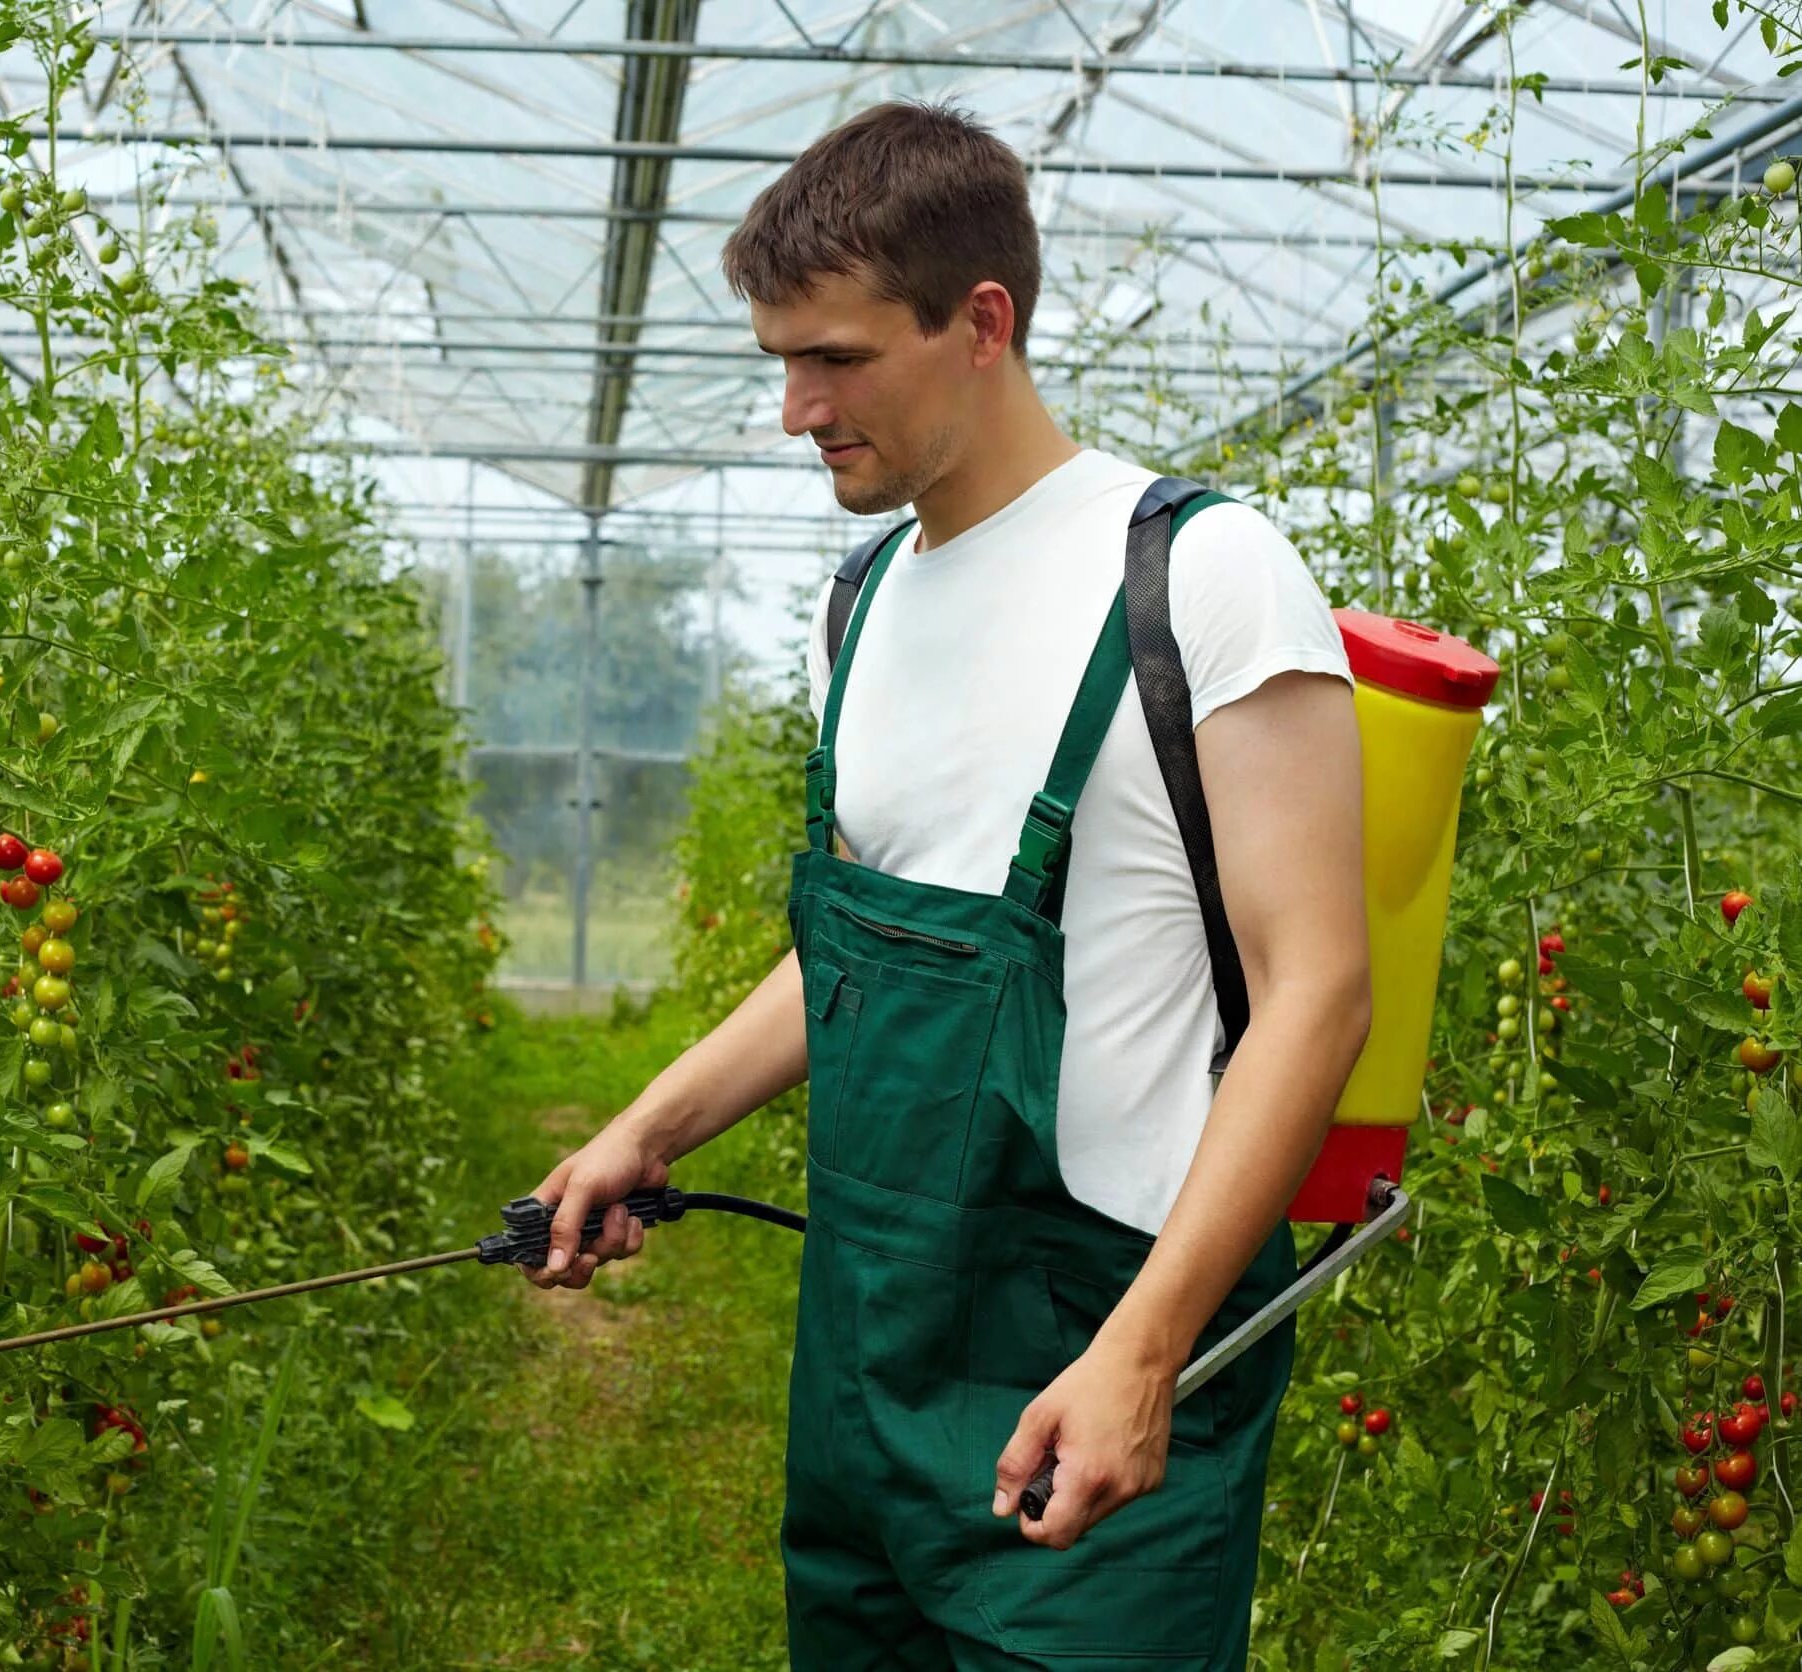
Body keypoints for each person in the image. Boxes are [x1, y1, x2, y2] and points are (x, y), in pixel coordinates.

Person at [527, 101, 1373, 1668]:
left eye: (836, 359)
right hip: (868, 1352)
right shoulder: (863, 608)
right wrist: (644, 1129)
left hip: (1101, 1344)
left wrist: (1144, 1354)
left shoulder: (1197, 578)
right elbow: (858, 952)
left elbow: (1318, 990)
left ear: (982, 322)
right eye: (781, 360)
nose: (796, 409)